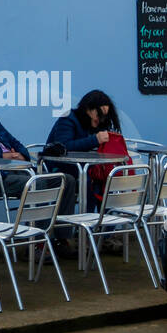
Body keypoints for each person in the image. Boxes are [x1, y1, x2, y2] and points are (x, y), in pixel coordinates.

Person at [43, 89, 121, 251]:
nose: (101, 119)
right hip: (61, 169)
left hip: (85, 171)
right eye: (99, 114)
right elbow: (63, 147)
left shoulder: (97, 125)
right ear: (88, 109)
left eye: (105, 115)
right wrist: (94, 140)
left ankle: (103, 235)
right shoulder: (68, 119)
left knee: (107, 182)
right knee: (90, 183)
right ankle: (81, 233)